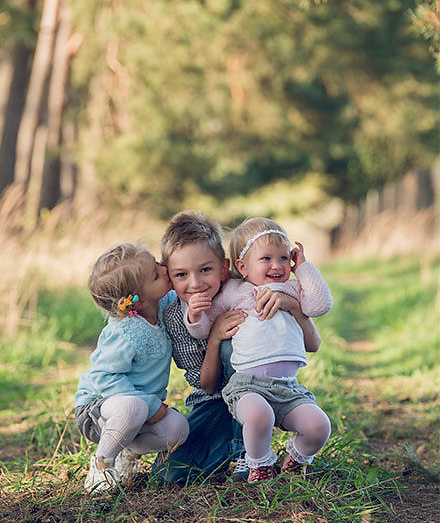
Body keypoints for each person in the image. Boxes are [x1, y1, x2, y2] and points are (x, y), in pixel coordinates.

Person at [154, 211, 322, 485]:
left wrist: (291, 305)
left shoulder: (251, 288)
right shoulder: (176, 315)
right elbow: (207, 386)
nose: (195, 283)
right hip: (217, 402)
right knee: (169, 476)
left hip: (266, 390)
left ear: (224, 267)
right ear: (170, 278)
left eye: (205, 270)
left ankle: (247, 452)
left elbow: (313, 343)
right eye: (181, 274)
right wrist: (216, 337)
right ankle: (236, 445)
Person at [75, 242, 190, 492]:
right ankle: (102, 464)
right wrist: (149, 404)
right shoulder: (125, 333)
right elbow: (104, 377)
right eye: (156, 274)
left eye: (158, 264)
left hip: (138, 409)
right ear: (135, 302)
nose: (165, 269)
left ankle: (127, 450)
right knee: (134, 406)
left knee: (178, 430)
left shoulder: (163, 304)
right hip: (97, 409)